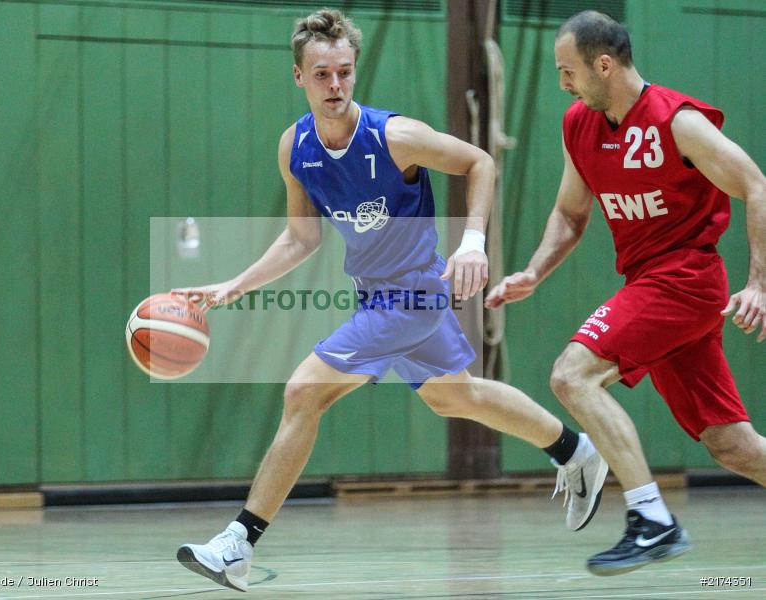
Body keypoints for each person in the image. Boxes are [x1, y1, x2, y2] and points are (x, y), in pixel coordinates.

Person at [174, 9, 609, 592]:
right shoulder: (295, 148)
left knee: (303, 392)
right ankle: (575, 450)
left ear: (356, 72)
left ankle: (239, 545)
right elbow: (301, 237)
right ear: (298, 77)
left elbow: (479, 162)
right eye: (322, 74)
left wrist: (473, 243)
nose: (335, 86)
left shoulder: (393, 136)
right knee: (456, 396)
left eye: (345, 73)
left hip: (414, 294)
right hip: (376, 295)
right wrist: (233, 286)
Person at [486, 10, 766, 577]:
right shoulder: (578, 125)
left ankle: (651, 519)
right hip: (649, 283)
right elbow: (570, 213)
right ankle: (654, 519)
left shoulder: (677, 121)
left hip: (684, 278)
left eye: (569, 71)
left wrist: (759, 282)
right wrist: (535, 273)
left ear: (604, 65)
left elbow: (756, 184)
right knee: (731, 445)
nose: (563, 82)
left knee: (571, 375)